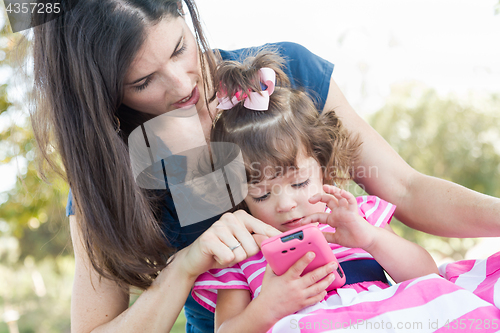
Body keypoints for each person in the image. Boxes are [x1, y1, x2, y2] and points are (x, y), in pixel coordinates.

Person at [28, 1, 500, 333]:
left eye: (178, 49)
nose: (180, 85)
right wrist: (187, 266)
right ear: (106, 93)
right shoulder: (112, 170)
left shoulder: (281, 78)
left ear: (184, 14)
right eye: (144, 81)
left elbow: (408, 190)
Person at [191, 52, 439, 332]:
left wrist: (370, 239)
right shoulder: (242, 253)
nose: (285, 204)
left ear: (322, 166)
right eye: (261, 195)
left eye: (298, 183)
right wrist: (266, 307)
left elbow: (428, 276)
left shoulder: (358, 217)